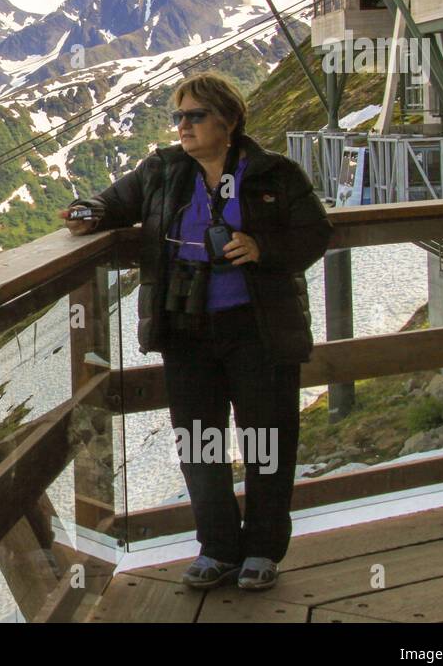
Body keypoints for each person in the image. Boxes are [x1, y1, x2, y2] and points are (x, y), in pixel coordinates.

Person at [60, 72, 333, 591]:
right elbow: (112, 202)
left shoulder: (274, 174)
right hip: (187, 331)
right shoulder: (163, 171)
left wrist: (261, 249)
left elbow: (315, 232)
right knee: (201, 444)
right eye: (178, 116)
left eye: (194, 116)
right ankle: (218, 548)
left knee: (267, 440)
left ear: (228, 121)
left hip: (259, 329)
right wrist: (88, 213)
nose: (182, 126)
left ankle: (262, 551)